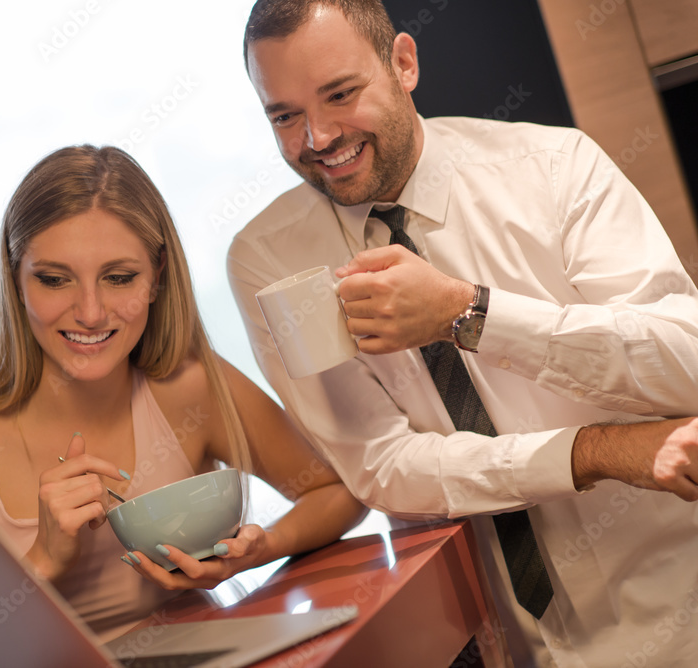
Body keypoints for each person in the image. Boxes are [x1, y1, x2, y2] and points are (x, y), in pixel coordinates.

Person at [227, 1, 698, 666]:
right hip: (497, 637)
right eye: (284, 115)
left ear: (404, 64)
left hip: (679, 612)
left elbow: (687, 361)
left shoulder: (555, 167)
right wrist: (593, 451)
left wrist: (469, 314)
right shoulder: (270, 259)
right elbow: (383, 468)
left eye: (340, 94)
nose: (318, 136)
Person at [0, 144, 367, 641]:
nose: (92, 312)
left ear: (157, 276)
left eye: (119, 278)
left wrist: (259, 549)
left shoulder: (190, 389)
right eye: (55, 280)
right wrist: (42, 561)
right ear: (15, 282)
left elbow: (337, 489)